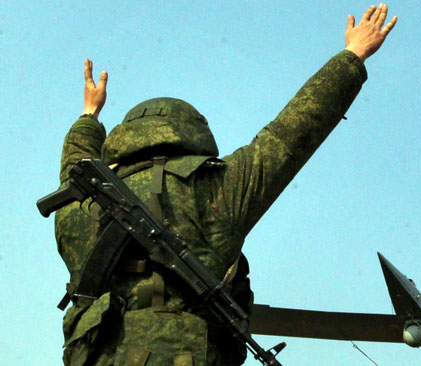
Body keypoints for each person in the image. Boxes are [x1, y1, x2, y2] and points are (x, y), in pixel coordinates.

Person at [54, 4, 397, 366]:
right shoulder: (217, 188)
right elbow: (290, 135)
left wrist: (88, 117)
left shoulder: (82, 203)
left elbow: (74, 167)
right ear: (193, 133)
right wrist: (353, 55)